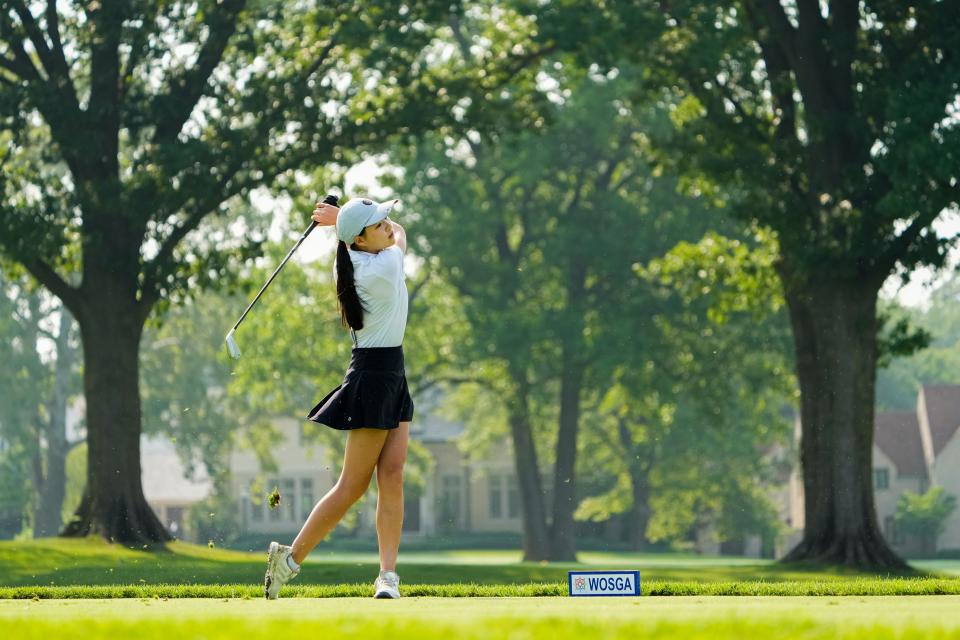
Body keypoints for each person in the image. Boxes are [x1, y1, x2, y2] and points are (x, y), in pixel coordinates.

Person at [263, 196, 414, 600]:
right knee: (353, 485)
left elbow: (369, 238)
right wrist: (339, 223)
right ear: (361, 241)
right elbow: (401, 234)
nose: (386, 224)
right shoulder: (382, 267)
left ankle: (387, 575)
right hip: (373, 376)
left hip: (392, 372)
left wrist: (342, 225)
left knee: (394, 475)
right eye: (376, 222)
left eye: (383, 218)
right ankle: (289, 559)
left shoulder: (354, 258)